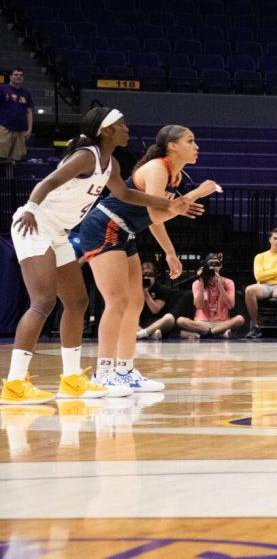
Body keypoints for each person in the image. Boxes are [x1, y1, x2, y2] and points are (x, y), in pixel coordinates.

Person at [4, 108, 200, 405]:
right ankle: (15, 384)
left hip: (58, 231)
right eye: (121, 125)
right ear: (105, 131)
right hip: (34, 223)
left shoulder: (111, 165)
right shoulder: (86, 156)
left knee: (78, 301)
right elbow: (48, 182)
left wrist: (169, 205)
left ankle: (71, 380)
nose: (126, 129)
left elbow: (127, 195)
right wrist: (31, 208)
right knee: (43, 301)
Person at [78, 124, 220, 395]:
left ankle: (125, 370)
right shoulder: (157, 168)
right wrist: (196, 194)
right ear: (172, 146)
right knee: (117, 301)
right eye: (190, 141)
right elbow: (157, 214)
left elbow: (155, 220)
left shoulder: (175, 175)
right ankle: (104, 373)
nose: (196, 146)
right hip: (104, 226)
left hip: (126, 231)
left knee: (136, 302)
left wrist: (169, 252)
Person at [177, 254, 245, 338]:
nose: (214, 267)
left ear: (220, 267)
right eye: (211, 264)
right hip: (202, 323)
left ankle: (202, 335)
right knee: (180, 321)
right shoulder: (197, 283)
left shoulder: (228, 282)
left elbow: (231, 305)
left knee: (240, 319)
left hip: (222, 322)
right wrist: (202, 283)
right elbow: (198, 305)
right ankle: (217, 333)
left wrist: (219, 285)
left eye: (216, 264)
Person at [135, 261, 182, 340]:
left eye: (150, 275)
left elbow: (155, 310)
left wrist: (146, 293)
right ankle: (148, 334)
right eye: (144, 275)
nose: (146, 278)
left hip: (158, 322)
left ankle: (142, 334)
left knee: (169, 318)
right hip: (141, 323)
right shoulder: (135, 289)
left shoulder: (162, 289)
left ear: (154, 276)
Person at [0, 67, 33, 177]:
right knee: (1, 155)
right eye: (16, 74)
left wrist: (29, 129)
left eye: (20, 75)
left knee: (14, 159)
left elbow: (29, 112)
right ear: (10, 77)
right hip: (4, 127)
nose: (18, 76)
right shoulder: (2, 89)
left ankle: (10, 183)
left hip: (20, 130)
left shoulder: (26, 93)